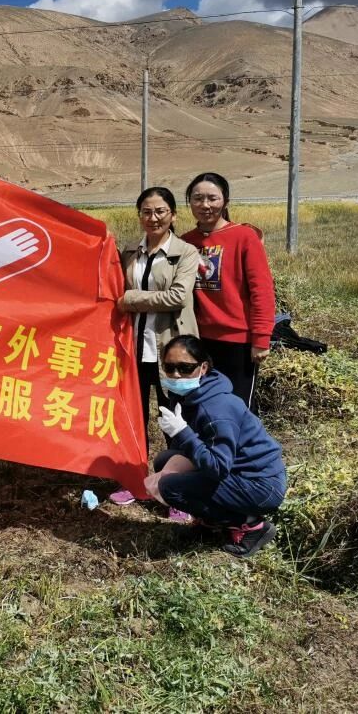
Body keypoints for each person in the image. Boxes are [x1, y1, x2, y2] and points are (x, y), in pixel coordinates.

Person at [143, 335, 286, 558]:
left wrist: (182, 432)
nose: (177, 375)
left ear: (203, 367)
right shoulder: (189, 396)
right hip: (237, 471)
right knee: (164, 461)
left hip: (260, 485)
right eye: (169, 368)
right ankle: (211, 522)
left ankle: (250, 525)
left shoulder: (216, 409)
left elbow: (217, 467)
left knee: (171, 486)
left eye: (185, 367)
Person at [109, 187, 200, 509]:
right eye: (147, 212)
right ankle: (134, 481)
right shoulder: (131, 251)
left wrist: (131, 300)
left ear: (173, 215)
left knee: (172, 420)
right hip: (134, 350)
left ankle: (175, 491)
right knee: (133, 419)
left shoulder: (185, 253)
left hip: (170, 352)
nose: (153, 218)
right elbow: (113, 288)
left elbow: (177, 296)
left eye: (161, 211)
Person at [181, 172, 275, 411]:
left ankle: (244, 450)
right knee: (205, 406)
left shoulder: (244, 237)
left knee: (238, 408)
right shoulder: (186, 242)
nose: (205, 205)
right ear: (189, 202)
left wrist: (261, 338)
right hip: (199, 339)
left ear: (225, 201)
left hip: (238, 341)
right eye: (198, 198)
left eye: (212, 198)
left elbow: (261, 291)